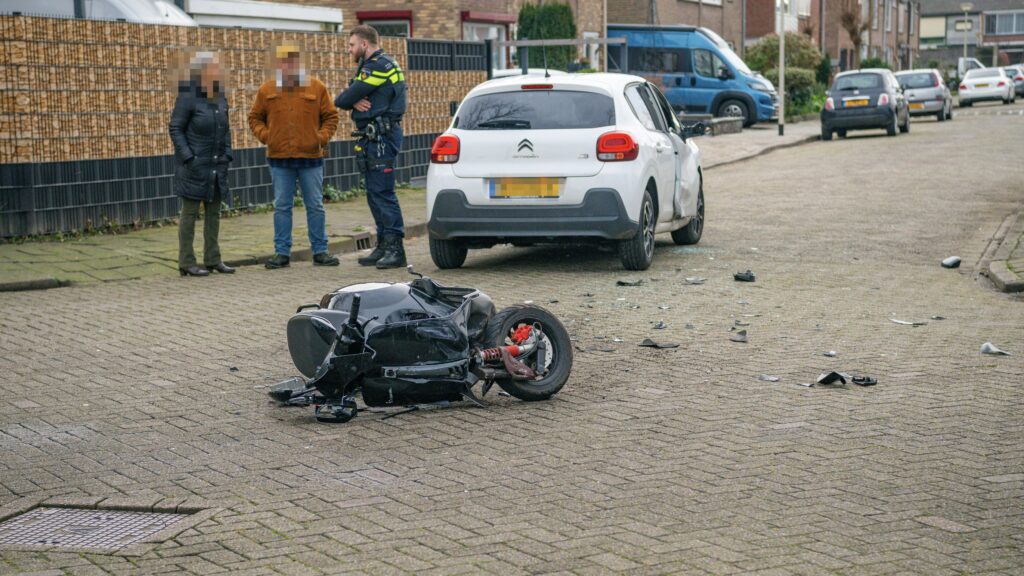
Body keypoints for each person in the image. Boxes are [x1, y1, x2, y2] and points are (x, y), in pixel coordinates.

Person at [248, 44, 340, 269]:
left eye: (292, 61)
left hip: (311, 157)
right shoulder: (267, 90)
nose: (288, 65)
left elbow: (331, 116)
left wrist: (320, 138)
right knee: (281, 206)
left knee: (315, 205)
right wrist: (267, 136)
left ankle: (320, 251)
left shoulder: (316, 87)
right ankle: (282, 253)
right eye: (283, 61)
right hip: (280, 158)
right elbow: (254, 117)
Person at [335, 25, 408, 269]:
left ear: (364, 44)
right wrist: (355, 97)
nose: (349, 50)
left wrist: (351, 97)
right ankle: (384, 245)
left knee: (384, 194)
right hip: (374, 138)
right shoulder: (380, 63)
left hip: (381, 139)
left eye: (351, 45)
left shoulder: (377, 66)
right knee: (374, 194)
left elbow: (342, 100)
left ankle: (396, 249)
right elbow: (353, 95)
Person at [168, 50, 234, 277]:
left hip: (217, 165)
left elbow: (225, 128)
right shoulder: (188, 95)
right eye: (215, 67)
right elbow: (175, 127)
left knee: (214, 213)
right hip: (195, 165)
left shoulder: (220, 95)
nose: (219, 71)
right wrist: (188, 157)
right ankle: (186, 261)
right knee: (190, 213)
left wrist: (228, 153)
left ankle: (213, 259)